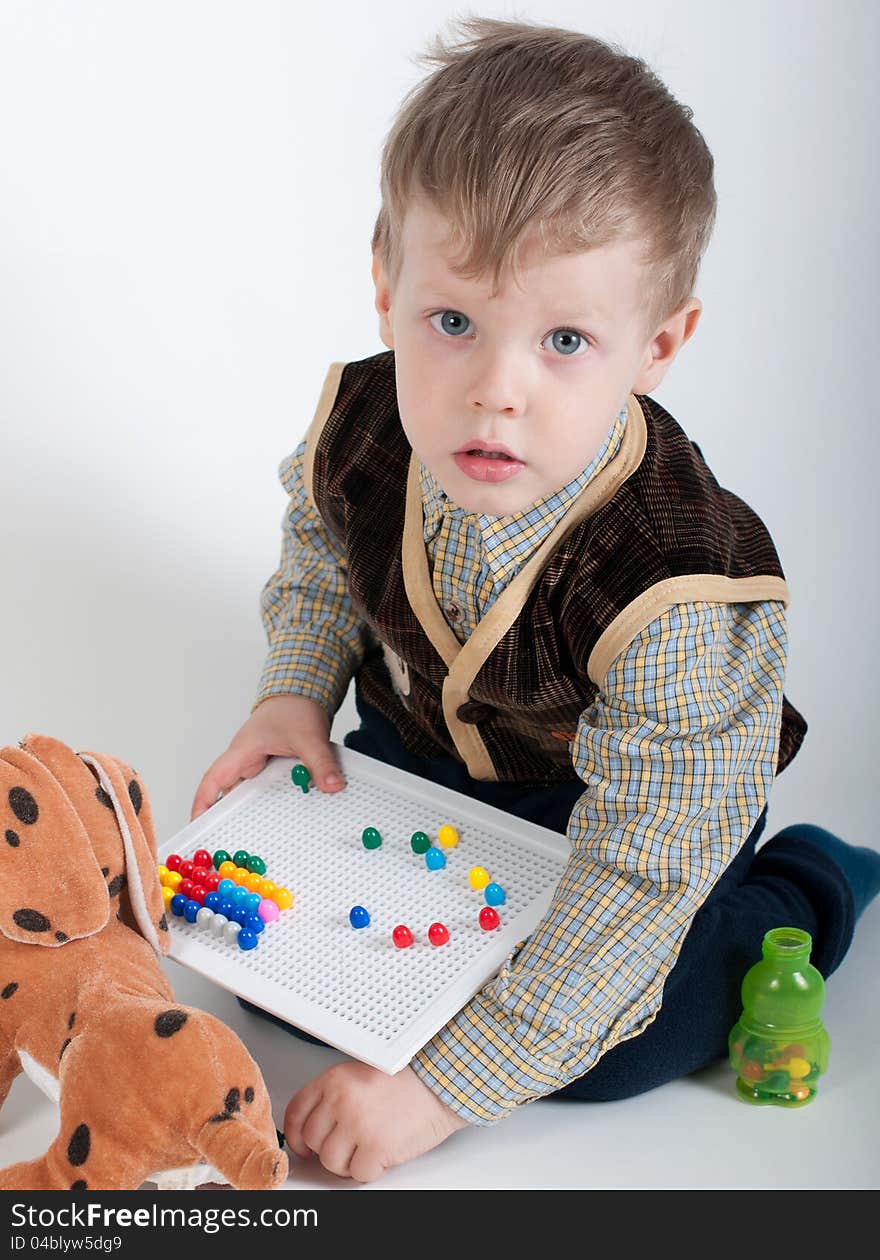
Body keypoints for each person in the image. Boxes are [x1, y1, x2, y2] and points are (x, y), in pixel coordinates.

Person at [191, 16, 880, 1183]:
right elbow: (322, 553)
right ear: (385, 287)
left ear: (657, 344)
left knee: (615, 1045)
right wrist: (293, 695)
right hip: (429, 760)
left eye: (564, 339)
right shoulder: (365, 427)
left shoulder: (672, 589)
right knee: (293, 973)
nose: (491, 394)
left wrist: (442, 1094)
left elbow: (634, 870)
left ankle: (804, 889)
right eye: (452, 322)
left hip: (615, 813)